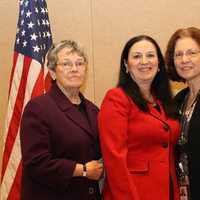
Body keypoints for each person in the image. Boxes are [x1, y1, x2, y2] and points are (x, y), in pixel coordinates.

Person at [98, 35, 180, 200]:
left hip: (167, 192)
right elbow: (115, 159)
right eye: (136, 56)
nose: (144, 61)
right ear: (126, 65)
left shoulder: (164, 101)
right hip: (133, 192)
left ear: (158, 64)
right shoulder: (116, 98)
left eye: (150, 55)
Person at [20, 40, 103, 200]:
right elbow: (36, 162)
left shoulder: (93, 110)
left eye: (79, 63)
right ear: (52, 72)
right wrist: (83, 170)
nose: (74, 69)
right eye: (66, 64)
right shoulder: (38, 108)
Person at [165, 27, 200, 200]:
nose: (184, 59)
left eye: (191, 53)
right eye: (178, 55)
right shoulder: (178, 100)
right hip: (184, 191)